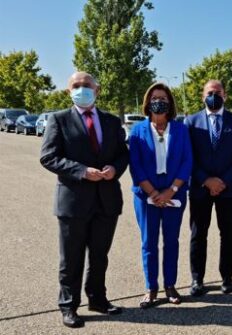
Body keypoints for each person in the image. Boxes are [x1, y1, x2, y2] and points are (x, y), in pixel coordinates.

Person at [40, 72, 128, 328]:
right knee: (71, 258)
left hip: (107, 201)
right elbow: (48, 157)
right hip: (73, 202)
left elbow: (123, 154)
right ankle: (68, 305)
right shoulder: (59, 120)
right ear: (69, 92)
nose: (82, 89)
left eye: (86, 85)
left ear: (97, 90)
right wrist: (81, 171)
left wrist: (114, 168)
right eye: (76, 86)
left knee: (100, 255)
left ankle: (98, 299)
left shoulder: (112, 122)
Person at [128, 83, 193, 308]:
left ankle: (170, 285)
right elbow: (135, 166)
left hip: (175, 194)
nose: (159, 101)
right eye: (155, 98)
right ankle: (151, 288)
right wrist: (155, 193)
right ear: (148, 102)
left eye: (163, 98)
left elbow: (187, 162)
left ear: (170, 103)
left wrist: (171, 191)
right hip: (147, 197)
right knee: (149, 243)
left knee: (172, 241)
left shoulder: (181, 129)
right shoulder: (137, 130)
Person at [185, 80, 232, 296]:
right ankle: (197, 279)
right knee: (198, 234)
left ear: (226, 95)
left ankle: (227, 278)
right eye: (210, 92)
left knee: (228, 234)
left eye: (218, 92)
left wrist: (224, 180)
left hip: (228, 189)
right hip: (200, 188)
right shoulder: (191, 122)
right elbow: (188, 157)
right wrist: (205, 179)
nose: (214, 95)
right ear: (203, 96)